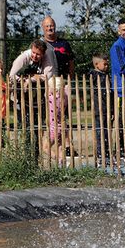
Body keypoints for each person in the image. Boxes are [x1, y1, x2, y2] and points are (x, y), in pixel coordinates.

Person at [9, 39, 58, 156]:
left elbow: (47, 76)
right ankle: (26, 155)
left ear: (43, 54)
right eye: (34, 53)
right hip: (19, 97)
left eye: (38, 54)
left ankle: (35, 156)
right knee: (25, 127)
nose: (35, 56)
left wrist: (31, 79)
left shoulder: (47, 59)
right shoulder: (22, 59)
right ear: (31, 49)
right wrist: (24, 81)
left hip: (38, 99)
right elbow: (11, 76)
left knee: (36, 128)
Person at [41, 16, 75, 155]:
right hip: (48, 85)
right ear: (43, 28)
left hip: (63, 83)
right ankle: (47, 145)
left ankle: (66, 146)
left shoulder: (64, 44)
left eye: (52, 25)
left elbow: (71, 61)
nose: (50, 28)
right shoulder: (41, 44)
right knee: (50, 117)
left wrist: (70, 78)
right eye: (47, 26)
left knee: (63, 116)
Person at [110, 17, 125, 156]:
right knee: (121, 122)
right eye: (124, 30)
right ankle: (119, 151)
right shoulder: (117, 46)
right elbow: (122, 68)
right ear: (119, 31)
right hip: (121, 91)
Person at [90, 54, 111, 166]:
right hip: (98, 108)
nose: (107, 66)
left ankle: (106, 154)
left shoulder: (106, 76)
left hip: (106, 108)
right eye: (105, 64)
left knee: (106, 132)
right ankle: (100, 156)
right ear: (97, 65)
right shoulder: (94, 75)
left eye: (108, 64)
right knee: (100, 132)